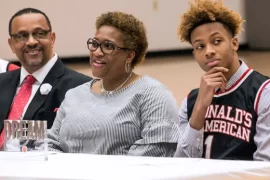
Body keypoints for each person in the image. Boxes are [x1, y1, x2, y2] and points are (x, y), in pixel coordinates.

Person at [42, 11, 179, 156]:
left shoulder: (152, 94)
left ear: (129, 55)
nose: (97, 52)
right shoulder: (74, 95)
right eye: (94, 44)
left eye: (108, 46)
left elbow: (154, 153)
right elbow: (51, 145)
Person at [174, 0, 270, 160]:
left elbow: (265, 167)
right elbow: (180, 164)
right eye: (200, 46)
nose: (208, 51)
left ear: (234, 43)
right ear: (194, 55)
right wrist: (200, 108)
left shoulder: (263, 91)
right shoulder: (191, 100)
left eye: (217, 41)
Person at [0, 8, 92, 149]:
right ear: (11, 44)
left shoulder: (81, 87)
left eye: (39, 33)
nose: (31, 42)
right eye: (22, 36)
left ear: (52, 38)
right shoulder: (2, 82)